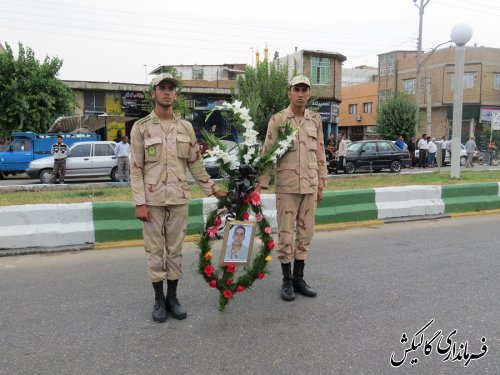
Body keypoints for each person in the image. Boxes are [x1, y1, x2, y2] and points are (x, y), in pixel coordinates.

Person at [130, 73, 227, 323]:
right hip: (151, 201)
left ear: (176, 94)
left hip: (178, 198)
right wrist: (139, 202)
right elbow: (136, 168)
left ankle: (173, 297)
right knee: (155, 251)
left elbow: (195, 164)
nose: (166, 92)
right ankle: (158, 300)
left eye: (170, 88)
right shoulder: (141, 128)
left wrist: (213, 190)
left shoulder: (185, 128)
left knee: (174, 251)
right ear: (154, 93)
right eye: (161, 87)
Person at [257, 74, 327, 302]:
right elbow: (267, 153)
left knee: (305, 234)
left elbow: (320, 153)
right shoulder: (278, 120)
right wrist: (261, 185)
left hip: (309, 186)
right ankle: (286, 280)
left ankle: (299, 278)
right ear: (289, 93)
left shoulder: (315, 120)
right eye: (296, 89)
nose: (300, 94)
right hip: (287, 188)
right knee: (286, 236)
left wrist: (321, 184)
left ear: (308, 94)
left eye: (304, 90)